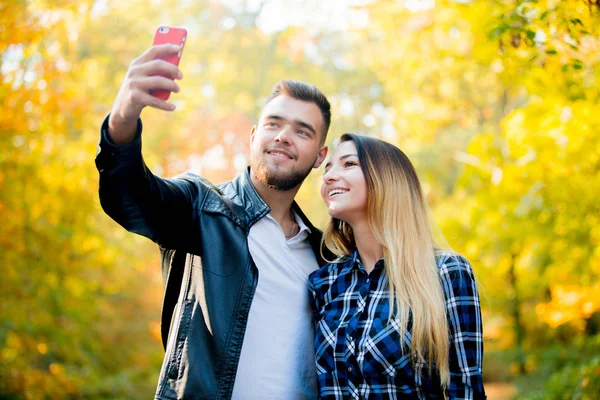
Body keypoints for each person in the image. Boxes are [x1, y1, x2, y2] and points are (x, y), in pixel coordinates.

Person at [95, 43, 331, 399]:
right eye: (273, 123)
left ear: (319, 156)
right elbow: (129, 196)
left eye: (302, 131)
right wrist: (124, 117)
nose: (283, 135)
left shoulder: (324, 255)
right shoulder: (203, 209)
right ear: (254, 136)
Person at [309, 134, 486, 399]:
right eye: (328, 168)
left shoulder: (447, 272)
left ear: (387, 179)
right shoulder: (323, 283)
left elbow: (466, 391)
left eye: (348, 164)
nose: (329, 176)